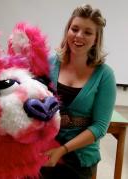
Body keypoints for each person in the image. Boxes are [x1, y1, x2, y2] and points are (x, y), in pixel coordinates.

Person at [40, 4, 116, 179]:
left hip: (79, 157)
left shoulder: (105, 75)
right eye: (74, 29)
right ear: (68, 30)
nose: (79, 36)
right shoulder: (49, 62)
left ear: (96, 39)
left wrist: (62, 150)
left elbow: (100, 127)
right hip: (42, 149)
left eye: (88, 32)